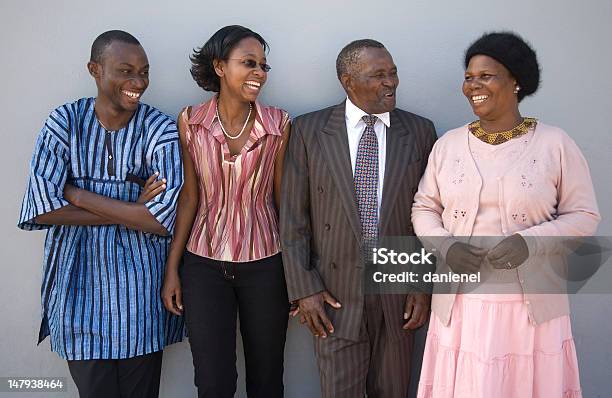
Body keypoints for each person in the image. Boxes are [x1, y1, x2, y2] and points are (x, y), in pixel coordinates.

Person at [413, 32, 600, 397]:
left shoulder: (555, 144)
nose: (473, 86)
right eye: (469, 77)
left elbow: (583, 214)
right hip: (460, 303)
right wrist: (446, 246)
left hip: (531, 309)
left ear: (516, 81)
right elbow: (424, 207)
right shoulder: (448, 145)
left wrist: (530, 243)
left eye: (486, 75)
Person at [17, 30, 184, 397]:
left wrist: (76, 194)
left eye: (144, 71)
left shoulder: (159, 128)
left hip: (141, 292)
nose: (137, 82)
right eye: (125, 71)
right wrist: (132, 208)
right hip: (76, 288)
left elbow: (160, 219)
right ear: (95, 69)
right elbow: (41, 208)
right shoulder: (64, 122)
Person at [281, 39, 436, 398]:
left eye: (393, 72)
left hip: (398, 294)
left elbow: (431, 217)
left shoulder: (420, 131)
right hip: (334, 296)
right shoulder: (309, 131)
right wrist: (305, 289)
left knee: (393, 390)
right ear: (348, 81)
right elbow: (292, 219)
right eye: (378, 75)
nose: (391, 83)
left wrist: (421, 286)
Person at [161, 25, 290, 398]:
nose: (259, 74)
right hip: (203, 266)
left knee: (267, 380)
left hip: (266, 265)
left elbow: (283, 202)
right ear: (219, 66)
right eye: (249, 63)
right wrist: (173, 270)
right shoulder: (190, 122)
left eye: (264, 66)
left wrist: (297, 274)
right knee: (213, 382)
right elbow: (189, 197)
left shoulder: (279, 125)